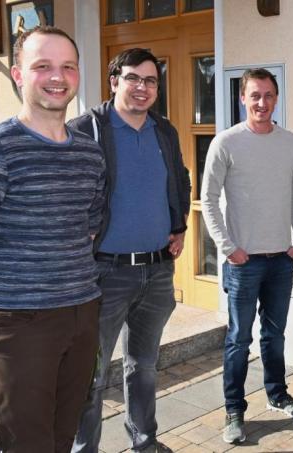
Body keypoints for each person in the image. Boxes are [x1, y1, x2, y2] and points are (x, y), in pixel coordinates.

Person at [0, 26, 106, 453]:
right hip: (21, 322)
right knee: (23, 442)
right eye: (43, 66)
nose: (57, 76)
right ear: (18, 75)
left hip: (81, 312)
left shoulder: (89, 152)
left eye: (67, 67)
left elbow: (89, 226)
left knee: (63, 435)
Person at [68, 48, 191, 453]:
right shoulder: (85, 130)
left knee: (145, 366)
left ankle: (145, 441)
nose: (142, 87)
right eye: (133, 78)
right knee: (91, 374)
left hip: (156, 272)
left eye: (151, 80)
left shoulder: (164, 130)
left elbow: (180, 179)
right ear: (114, 81)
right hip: (104, 274)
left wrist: (179, 226)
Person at [201, 68, 293, 444]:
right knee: (238, 339)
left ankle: (277, 394)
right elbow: (208, 199)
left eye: (268, 95)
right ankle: (234, 411)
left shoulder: (291, 142)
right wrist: (228, 248)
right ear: (242, 99)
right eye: (254, 96)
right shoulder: (226, 143)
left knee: (274, 335)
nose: (261, 103)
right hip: (243, 262)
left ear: (276, 99)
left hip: (282, 258)